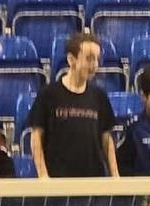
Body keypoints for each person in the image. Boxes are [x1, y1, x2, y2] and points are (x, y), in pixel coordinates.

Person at [27, 30, 118, 178]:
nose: (94, 65)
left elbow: (106, 139)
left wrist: (115, 175)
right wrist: (43, 176)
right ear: (71, 59)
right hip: (59, 184)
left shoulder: (99, 96)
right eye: (89, 59)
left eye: (97, 59)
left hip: (94, 183)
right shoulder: (48, 94)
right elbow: (36, 137)